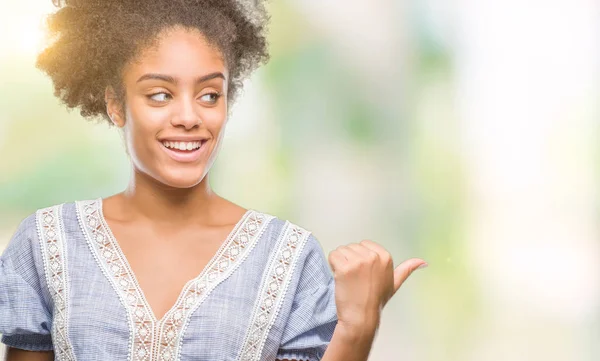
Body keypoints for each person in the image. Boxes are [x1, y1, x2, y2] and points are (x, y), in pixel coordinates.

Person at [0, 0, 427, 360]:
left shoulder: (290, 258)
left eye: (209, 94)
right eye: (160, 95)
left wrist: (356, 328)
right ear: (115, 104)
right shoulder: (46, 242)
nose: (189, 117)